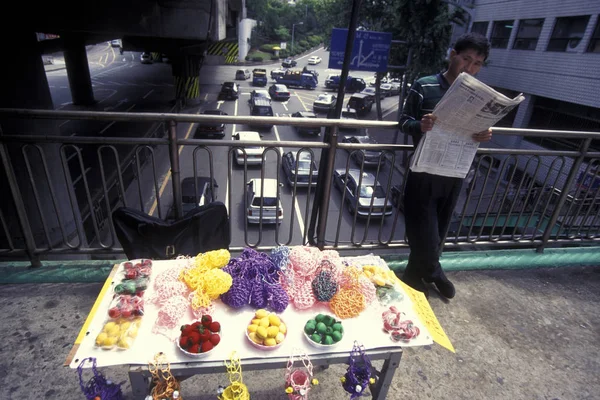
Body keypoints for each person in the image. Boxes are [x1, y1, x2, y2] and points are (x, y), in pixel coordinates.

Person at [399, 32, 493, 299]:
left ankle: (413, 276)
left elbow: (477, 131)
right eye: (466, 59)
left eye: (477, 63)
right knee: (424, 231)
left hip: (455, 173)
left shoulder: (479, 96)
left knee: (438, 232)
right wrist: (420, 125)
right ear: (453, 56)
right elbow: (403, 121)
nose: (470, 67)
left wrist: (484, 134)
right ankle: (435, 273)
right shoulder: (424, 85)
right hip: (424, 171)